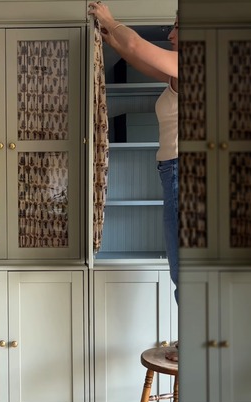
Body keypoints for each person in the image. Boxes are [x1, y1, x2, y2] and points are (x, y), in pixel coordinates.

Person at [88, 2, 180, 305]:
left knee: (186, 272)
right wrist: (110, 37)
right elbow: (137, 56)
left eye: (177, 28)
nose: (171, 35)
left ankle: (196, 345)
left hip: (183, 171)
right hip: (173, 172)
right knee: (183, 270)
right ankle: (195, 342)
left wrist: (110, 20)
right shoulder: (176, 73)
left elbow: (136, 44)